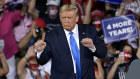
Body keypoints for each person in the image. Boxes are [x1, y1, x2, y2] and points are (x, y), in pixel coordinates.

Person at [34, 4, 107, 79]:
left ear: (76, 18)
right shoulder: (52, 36)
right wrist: (39, 52)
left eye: (69, 18)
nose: (66, 21)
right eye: (63, 18)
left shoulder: (89, 31)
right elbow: (42, 61)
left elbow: (103, 53)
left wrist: (93, 47)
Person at [0, 0, 27, 78]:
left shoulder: (9, 15)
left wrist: (24, 4)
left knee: (11, 73)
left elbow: (21, 14)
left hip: (8, 50)